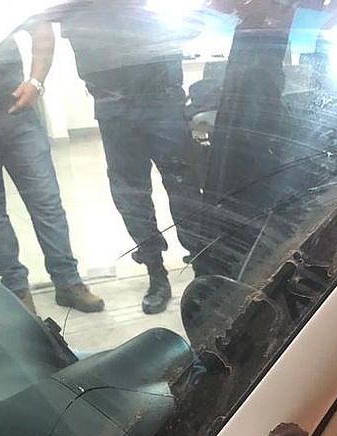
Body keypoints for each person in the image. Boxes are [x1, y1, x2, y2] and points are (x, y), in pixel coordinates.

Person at [0, 18, 104, 314]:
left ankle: (68, 282)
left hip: (14, 107)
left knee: (46, 201)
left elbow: (40, 26)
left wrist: (36, 81)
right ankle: (17, 292)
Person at [61, 0, 204, 314]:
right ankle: (156, 271)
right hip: (114, 106)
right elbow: (80, 39)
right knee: (130, 195)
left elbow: (192, 24)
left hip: (162, 99)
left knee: (184, 187)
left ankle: (203, 268)